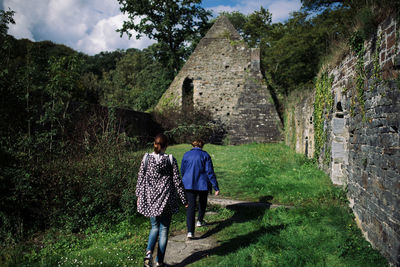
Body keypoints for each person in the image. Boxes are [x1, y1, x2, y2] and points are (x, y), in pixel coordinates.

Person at [136, 133, 187, 267]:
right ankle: (159, 262)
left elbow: (140, 178)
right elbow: (177, 181)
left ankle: (148, 254)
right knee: (164, 229)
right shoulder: (170, 159)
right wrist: (184, 199)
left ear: (155, 144)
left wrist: (139, 196)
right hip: (166, 200)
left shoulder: (146, 158)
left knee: (154, 227)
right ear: (166, 145)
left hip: (150, 200)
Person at [181, 139, 220, 239]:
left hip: (189, 184)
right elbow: (210, 172)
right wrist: (215, 186)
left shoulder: (186, 154)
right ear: (202, 146)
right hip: (202, 184)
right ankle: (199, 221)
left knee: (191, 207)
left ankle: (190, 232)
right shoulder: (205, 155)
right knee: (202, 203)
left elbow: (183, 170)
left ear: (193, 145)